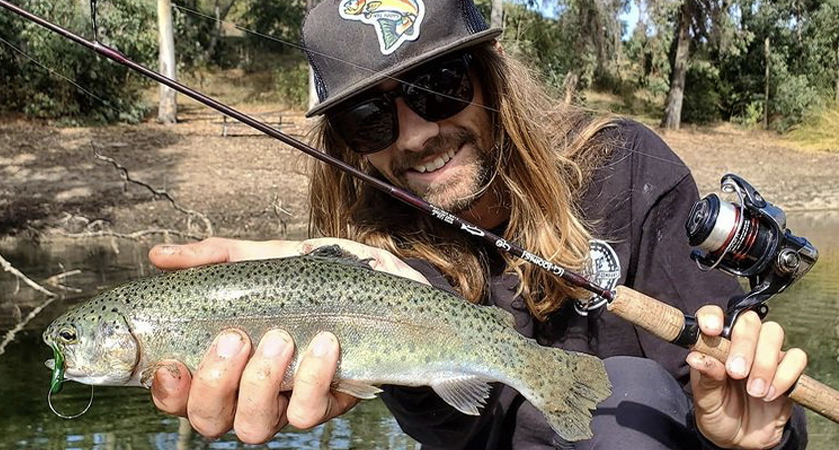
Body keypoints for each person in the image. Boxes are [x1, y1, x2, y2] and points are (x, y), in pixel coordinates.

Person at [146, 0, 808, 448]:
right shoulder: (375, 259)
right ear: (348, 145)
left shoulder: (625, 166)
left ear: (490, 81)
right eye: (369, 118)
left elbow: (732, 390)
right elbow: (468, 427)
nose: (416, 134)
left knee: (631, 392)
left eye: (438, 86)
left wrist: (755, 436)